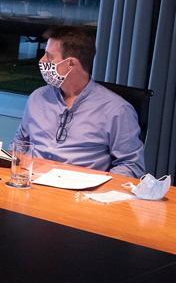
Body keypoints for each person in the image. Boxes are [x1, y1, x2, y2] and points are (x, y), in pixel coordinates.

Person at [14, 26, 145, 177]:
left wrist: (98, 191)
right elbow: (18, 146)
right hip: (31, 186)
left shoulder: (116, 110)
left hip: (80, 194)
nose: (42, 60)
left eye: (49, 57)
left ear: (71, 64)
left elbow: (131, 165)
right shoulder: (37, 98)